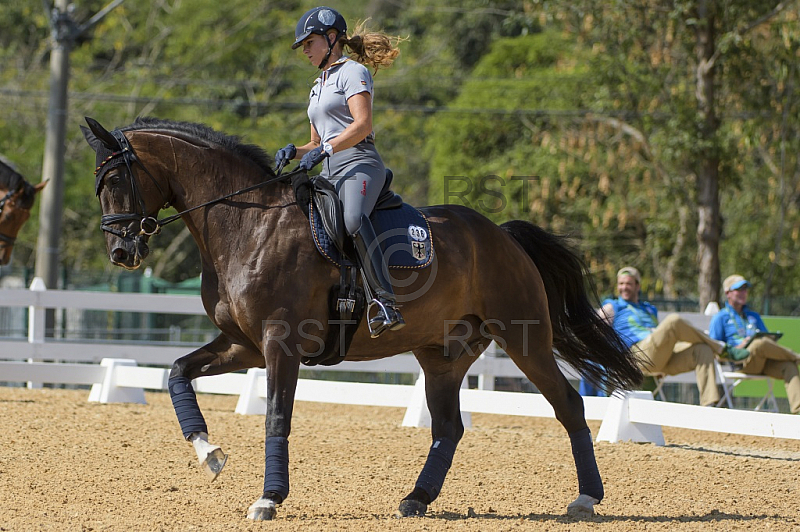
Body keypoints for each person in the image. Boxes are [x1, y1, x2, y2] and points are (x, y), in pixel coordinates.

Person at [275, 7, 406, 337]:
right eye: (303, 46)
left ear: (331, 38)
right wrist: (295, 150)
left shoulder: (354, 72)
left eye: (309, 43)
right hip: (331, 170)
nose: (305, 50)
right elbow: (315, 142)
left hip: (360, 163)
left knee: (352, 220)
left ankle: (386, 302)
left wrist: (326, 149)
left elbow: (362, 125)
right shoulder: (317, 85)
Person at [599, 266, 732, 407]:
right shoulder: (613, 305)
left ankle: (709, 406)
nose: (624, 287)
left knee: (702, 350)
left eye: (628, 283)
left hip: (657, 356)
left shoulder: (649, 309)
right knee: (673, 321)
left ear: (637, 286)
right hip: (636, 356)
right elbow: (596, 329)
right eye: (621, 284)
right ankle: (720, 348)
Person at [709, 275, 800, 414]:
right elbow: (714, 348)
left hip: (763, 361)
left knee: (789, 366)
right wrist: (740, 347)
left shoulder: (753, 316)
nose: (743, 293)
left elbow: (766, 341)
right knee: (758, 344)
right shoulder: (720, 318)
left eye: (745, 289)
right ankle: (796, 356)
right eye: (739, 289)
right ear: (728, 293)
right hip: (741, 363)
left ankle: (798, 411)